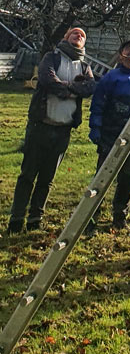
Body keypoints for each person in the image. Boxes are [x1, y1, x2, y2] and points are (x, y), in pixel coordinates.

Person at [7, 27, 96, 234]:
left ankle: (35, 219)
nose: (79, 36)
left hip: (63, 130)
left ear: (84, 43)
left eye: (82, 35)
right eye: (75, 33)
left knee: (47, 179)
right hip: (41, 126)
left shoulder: (84, 65)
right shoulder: (52, 57)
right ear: (66, 37)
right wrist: (73, 89)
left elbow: (90, 88)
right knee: (28, 175)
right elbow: (47, 80)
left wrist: (66, 89)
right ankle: (16, 219)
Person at [87, 39, 130, 232]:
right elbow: (98, 104)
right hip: (110, 135)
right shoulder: (111, 78)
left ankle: (120, 217)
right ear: (121, 53)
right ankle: (90, 217)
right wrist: (95, 127)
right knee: (102, 177)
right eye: (128, 48)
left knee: (126, 179)